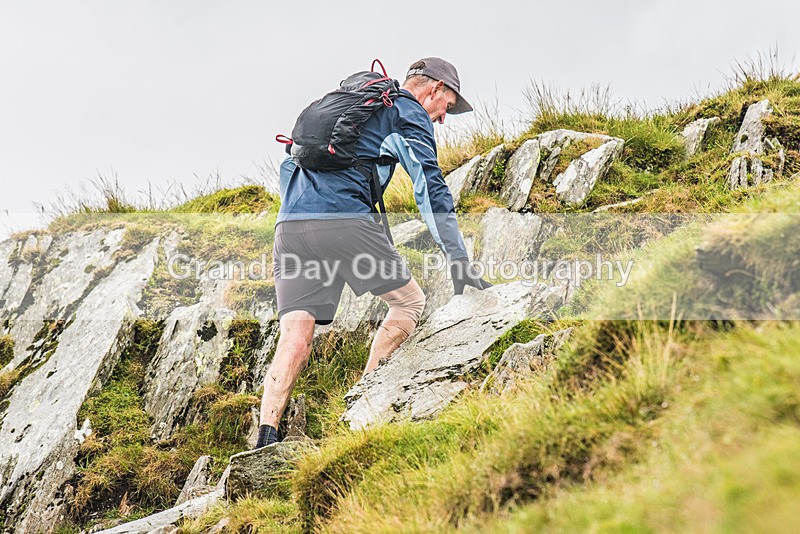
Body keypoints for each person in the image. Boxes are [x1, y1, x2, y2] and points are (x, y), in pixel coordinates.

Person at [256, 57, 491, 448]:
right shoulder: (406, 112)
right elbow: (429, 188)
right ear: (432, 90)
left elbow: (289, 164)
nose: (443, 119)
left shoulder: (350, 104)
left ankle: (265, 439)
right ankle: (359, 411)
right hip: (344, 220)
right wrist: (458, 260)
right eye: (446, 107)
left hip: (290, 225)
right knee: (409, 304)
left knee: (295, 336)